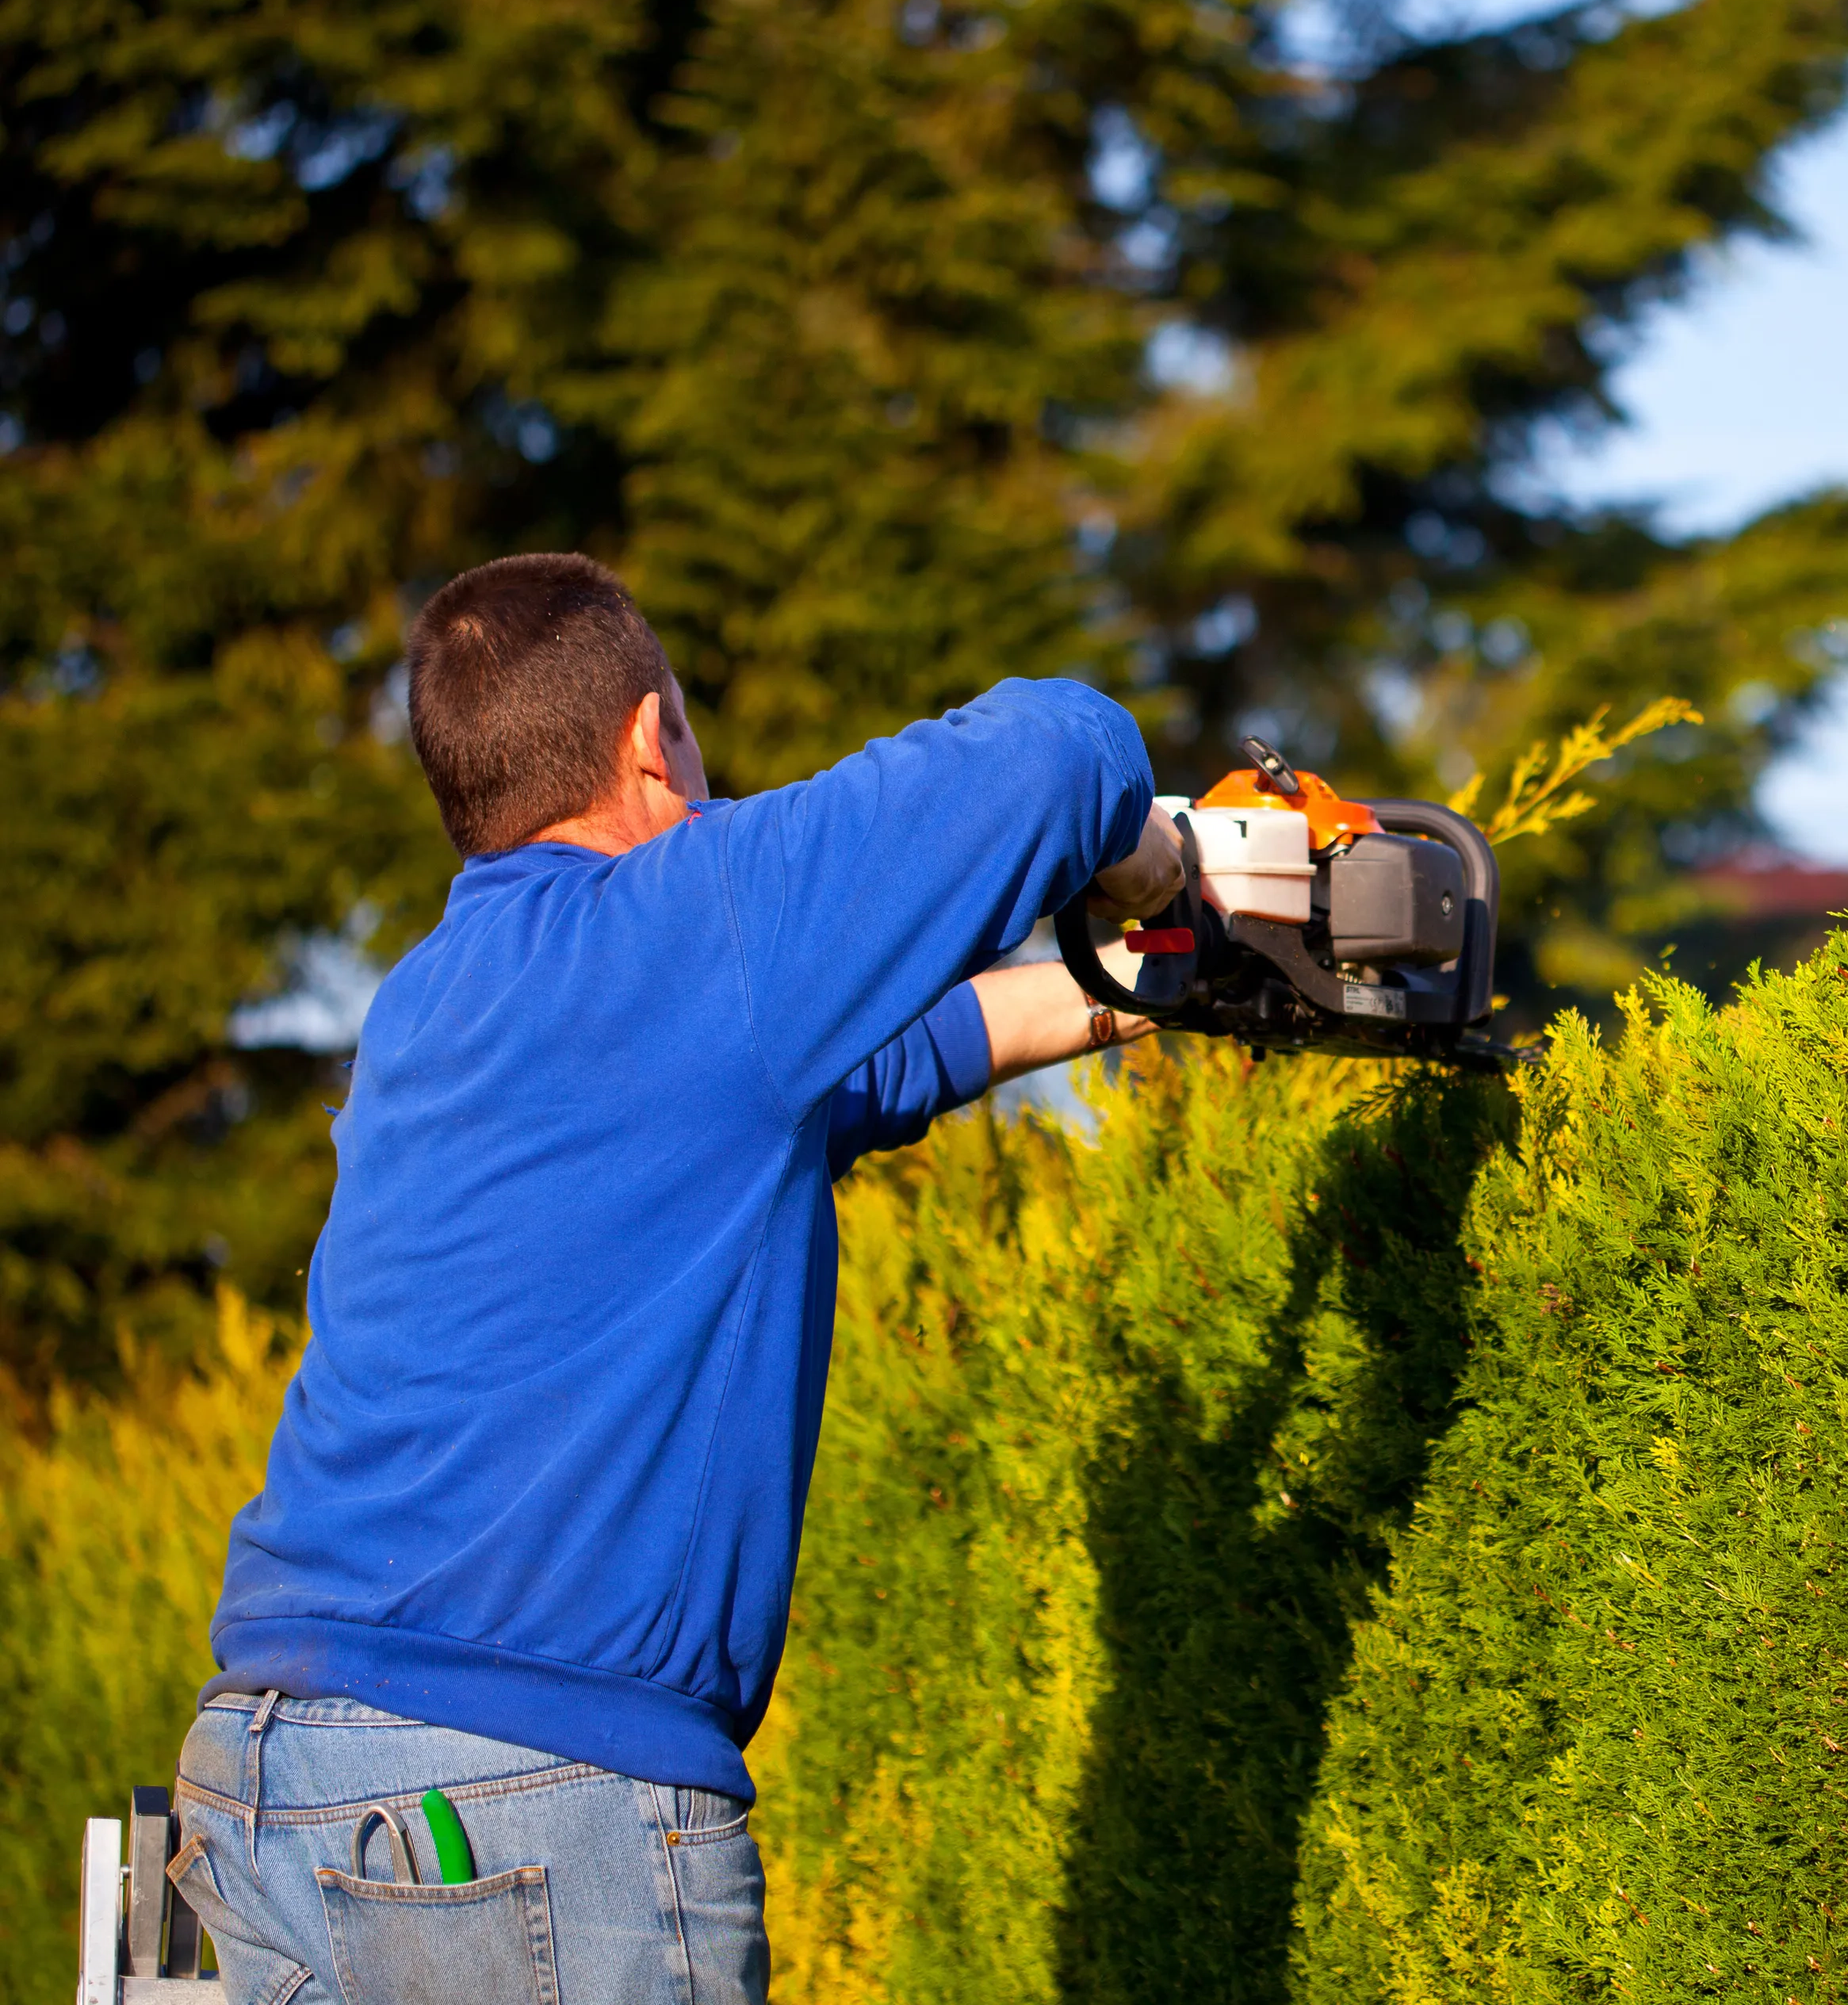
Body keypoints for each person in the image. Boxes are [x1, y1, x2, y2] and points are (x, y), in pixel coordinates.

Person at [163, 553, 1183, 2004]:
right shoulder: (689, 921)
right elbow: (1062, 748)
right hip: (513, 1807)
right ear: (652, 737)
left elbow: (881, 1067)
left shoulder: (438, 1004)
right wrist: (1165, 867)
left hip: (261, 1787)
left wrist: (1151, 982)